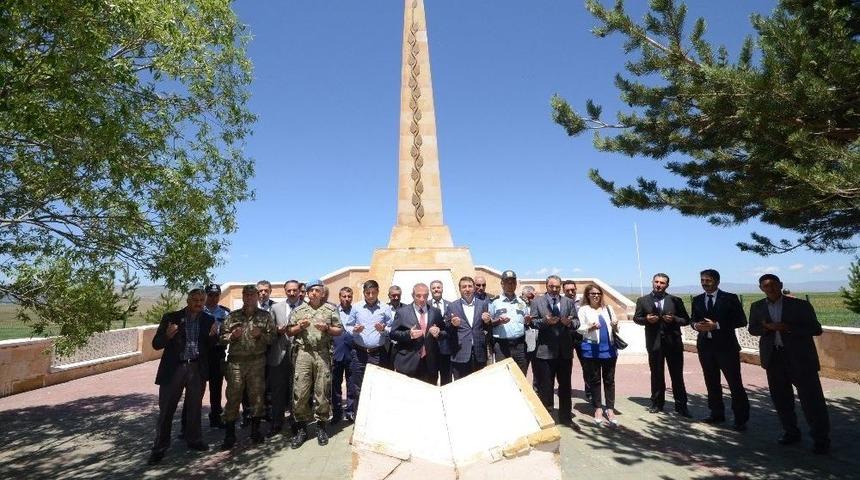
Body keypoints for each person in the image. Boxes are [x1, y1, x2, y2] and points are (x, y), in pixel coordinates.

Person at [749, 274, 831, 454]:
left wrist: (787, 327)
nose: (769, 288)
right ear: (761, 288)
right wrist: (767, 328)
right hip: (774, 358)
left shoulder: (800, 305)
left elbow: (815, 329)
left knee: (812, 400)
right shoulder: (757, 307)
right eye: (765, 286)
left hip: (800, 359)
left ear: (780, 285)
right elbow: (752, 329)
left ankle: (821, 438)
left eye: (772, 285)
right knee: (781, 399)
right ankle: (790, 432)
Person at [147, 288, 218, 465]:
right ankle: (160, 447)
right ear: (188, 300)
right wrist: (167, 335)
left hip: (196, 369)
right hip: (174, 369)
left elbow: (210, 346)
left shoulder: (208, 320)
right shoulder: (171, 317)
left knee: (194, 408)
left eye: (202, 300)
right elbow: (156, 344)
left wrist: (213, 336)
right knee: (166, 410)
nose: (199, 303)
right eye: (195, 300)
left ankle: (194, 440)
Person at [287, 279, 343, 448]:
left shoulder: (330, 309)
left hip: (323, 353)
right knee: (300, 391)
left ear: (322, 293)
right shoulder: (299, 310)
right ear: (307, 293)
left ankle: (321, 428)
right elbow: (289, 331)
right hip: (304, 353)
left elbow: (339, 330)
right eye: (311, 290)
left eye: (317, 290)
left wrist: (327, 328)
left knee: (322, 391)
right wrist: (300, 327)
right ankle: (301, 429)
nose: (314, 293)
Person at [691, 269, 750, 431]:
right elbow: (693, 320)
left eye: (708, 280)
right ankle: (716, 413)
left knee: (734, 383)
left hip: (726, 348)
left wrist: (716, 325)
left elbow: (741, 320)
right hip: (705, 348)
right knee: (711, 382)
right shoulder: (697, 300)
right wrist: (697, 326)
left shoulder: (730, 298)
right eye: (702, 280)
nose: (704, 283)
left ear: (717, 281)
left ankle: (741, 418)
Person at [219, 285, 275, 449]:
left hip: (257, 362)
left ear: (257, 297)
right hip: (236, 363)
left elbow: (272, 338)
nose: (249, 298)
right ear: (243, 297)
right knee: (233, 397)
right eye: (247, 295)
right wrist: (231, 336)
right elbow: (221, 338)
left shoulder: (265, 317)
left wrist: (261, 335)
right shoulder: (232, 316)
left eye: (252, 295)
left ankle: (255, 432)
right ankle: (230, 436)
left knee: (257, 398)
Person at [633, 273, 691, 417]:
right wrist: (646, 319)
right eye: (657, 282)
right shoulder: (643, 300)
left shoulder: (675, 300)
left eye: (662, 283)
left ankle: (681, 406)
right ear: (652, 282)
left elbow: (686, 320)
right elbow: (636, 318)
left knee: (677, 375)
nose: (659, 285)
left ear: (667, 285)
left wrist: (674, 319)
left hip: (674, 343)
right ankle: (657, 404)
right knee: (657, 374)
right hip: (654, 343)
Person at [529, 275, 580, 425]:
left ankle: (566, 417)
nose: (555, 289)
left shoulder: (568, 302)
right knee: (546, 387)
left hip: (564, 352)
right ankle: (547, 418)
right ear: (546, 286)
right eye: (552, 286)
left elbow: (577, 322)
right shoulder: (537, 302)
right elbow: (532, 322)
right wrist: (545, 322)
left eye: (557, 287)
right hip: (545, 352)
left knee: (565, 386)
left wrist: (569, 323)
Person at [346, 280, 394, 411]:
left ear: (378, 292)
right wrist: (355, 330)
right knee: (358, 386)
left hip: (378, 353)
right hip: (359, 353)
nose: (371, 295)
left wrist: (383, 330)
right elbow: (348, 326)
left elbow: (391, 327)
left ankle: (375, 416)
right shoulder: (356, 307)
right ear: (364, 293)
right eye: (368, 293)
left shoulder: (385, 308)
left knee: (378, 385)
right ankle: (358, 417)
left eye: (373, 293)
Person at [576, 284, 620, 427]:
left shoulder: (608, 309)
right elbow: (579, 328)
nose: (596, 295)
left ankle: (610, 409)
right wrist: (590, 327)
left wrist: (615, 325)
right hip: (591, 349)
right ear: (587, 295)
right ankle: (598, 408)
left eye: (598, 293)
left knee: (609, 380)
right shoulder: (583, 310)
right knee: (594, 381)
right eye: (592, 293)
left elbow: (616, 328)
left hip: (609, 349)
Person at [266, 280, 303, 437]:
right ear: (285, 291)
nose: (292, 293)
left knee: (297, 391)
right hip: (279, 354)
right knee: (277, 391)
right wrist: (276, 330)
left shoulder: (306, 307)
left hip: (300, 355)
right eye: (289, 290)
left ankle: (296, 422)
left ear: (299, 291)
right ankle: (277, 422)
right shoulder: (275, 307)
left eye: (295, 290)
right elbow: (268, 330)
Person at [390, 283, 446, 383]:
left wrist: (438, 333)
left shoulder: (435, 312)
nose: (421, 299)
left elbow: (445, 332)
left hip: (430, 363)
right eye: (418, 296)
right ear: (412, 295)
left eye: (425, 296)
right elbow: (393, 334)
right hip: (408, 362)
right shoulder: (402, 312)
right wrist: (408, 334)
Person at [446, 276, 492, 380]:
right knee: (461, 387)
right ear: (460, 289)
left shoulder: (483, 304)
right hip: (460, 353)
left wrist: (487, 321)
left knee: (480, 385)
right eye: (464, 287)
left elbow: (487, 328)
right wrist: (453, 325)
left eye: (470, 286)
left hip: (479, 353)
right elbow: (447, 329)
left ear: (474, 288)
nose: (467, 289)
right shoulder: (452, 306)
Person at [488, 270, 529, 375]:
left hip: (520, 344)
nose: (510, 285)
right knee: (504, 376)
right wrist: (498, 321)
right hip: (502, 346)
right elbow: (488, 323)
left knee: (521, 375)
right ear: (502, 283)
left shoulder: (522, 302)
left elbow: (526, 321)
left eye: (513, 282)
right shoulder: (494, 302)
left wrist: (528, 321)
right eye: (507, 282)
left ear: (516, 284)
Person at [202, 284, 230, 428]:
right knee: (196, 389)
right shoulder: (199, 310)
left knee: (216, 387)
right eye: (210, 295)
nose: (213, 298)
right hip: (201, 353)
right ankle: (187, 424)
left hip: (217, 352)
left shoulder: (225, 313)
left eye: (216, 295)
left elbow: (228, 331)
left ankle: (215, 417)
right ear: (206, 294)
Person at [332, 287, 357, 424]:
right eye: (344, 296)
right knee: (335, 386)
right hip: (336, 352)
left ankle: (350, 412)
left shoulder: (356, 311)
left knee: (351, 385)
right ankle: (336, 413)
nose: (347, 299)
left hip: (353, 352)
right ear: (339, 297)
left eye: (349, 296)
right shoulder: (332, 311)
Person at [563, 280, 591, 404]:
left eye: (572, 289)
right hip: (566, 338)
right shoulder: (561, 302)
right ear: (563, 290)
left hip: (582, 338)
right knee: (565, 367)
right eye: (567, 290)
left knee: (587, 366)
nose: (570, 292)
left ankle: (590, 393)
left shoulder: (584, 302)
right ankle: (565, 391)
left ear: (576, 289)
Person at [429, 280, 453, 385]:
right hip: (431, 348)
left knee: (446, 379)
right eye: (434, 288)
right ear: (430, 290)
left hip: (447, 348)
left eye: (438, 287)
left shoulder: (451, 305)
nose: (436, 289)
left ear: (442, 289)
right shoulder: (426, 305)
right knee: (431, 379)